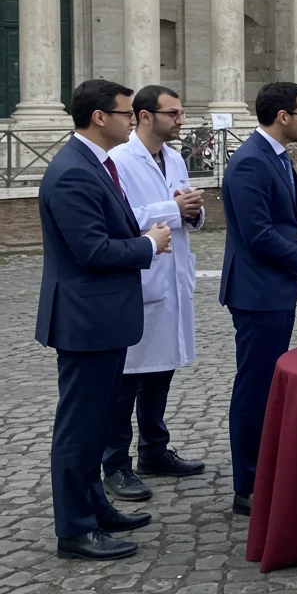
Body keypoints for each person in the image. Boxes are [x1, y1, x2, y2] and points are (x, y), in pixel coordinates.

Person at [36, 80, 173, 560]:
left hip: (102, 317)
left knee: (92, 425)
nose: (131, 119)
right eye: (124, 112)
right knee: (79, 428)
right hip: (85, 319)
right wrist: (149, 244)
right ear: (99, 117)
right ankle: (74, 530)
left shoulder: (96, 163)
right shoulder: (73, 171)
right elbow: (91, 250)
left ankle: (96, 508)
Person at [220, 82, 297, 517]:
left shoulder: (274, 157)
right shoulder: (250, 162)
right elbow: (257, 233)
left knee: (268, 383)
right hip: (257, 290)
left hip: (273, 287)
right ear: (283, 116)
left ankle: (266, 470)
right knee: (255, 386)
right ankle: (247, 484)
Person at [101, 86, 206, 505]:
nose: (181, 120)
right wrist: (172, 210)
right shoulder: (121, 160)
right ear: (145, 116)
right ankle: (115, 463)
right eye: (174, 113)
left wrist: (192, 211)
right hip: (140, 278)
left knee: (162, 371)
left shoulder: (175, 156)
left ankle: (154, 450)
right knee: (127, 377)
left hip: (172, 275)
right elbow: (121, 215)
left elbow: (182, 211)